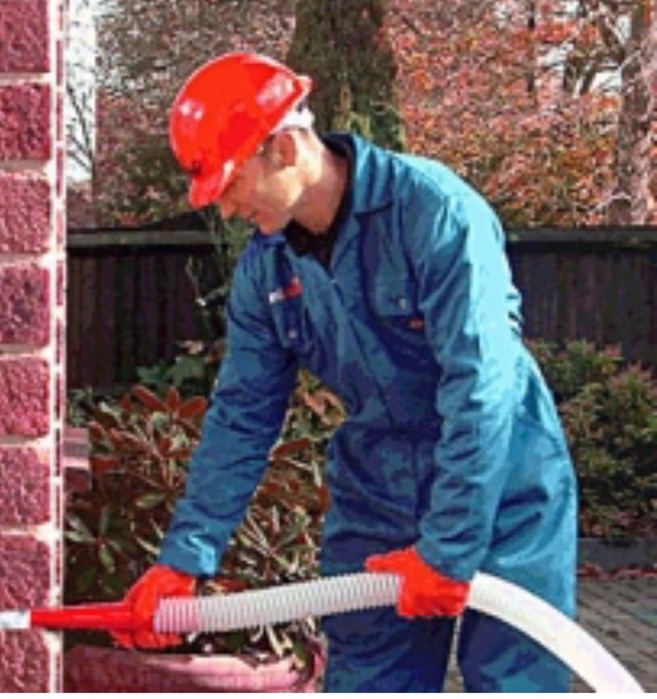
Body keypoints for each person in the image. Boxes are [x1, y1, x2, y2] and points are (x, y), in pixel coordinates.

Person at [111, 51, 578, 692]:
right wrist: (185, 559)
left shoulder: (435, 213)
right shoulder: (266, 271)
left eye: (231, 183)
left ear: (282, 148)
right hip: (380, 493)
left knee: (515, 682)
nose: (226, 210)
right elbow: (242, 416)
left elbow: (481, 389)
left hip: (504, 484)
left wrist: (448, 546)